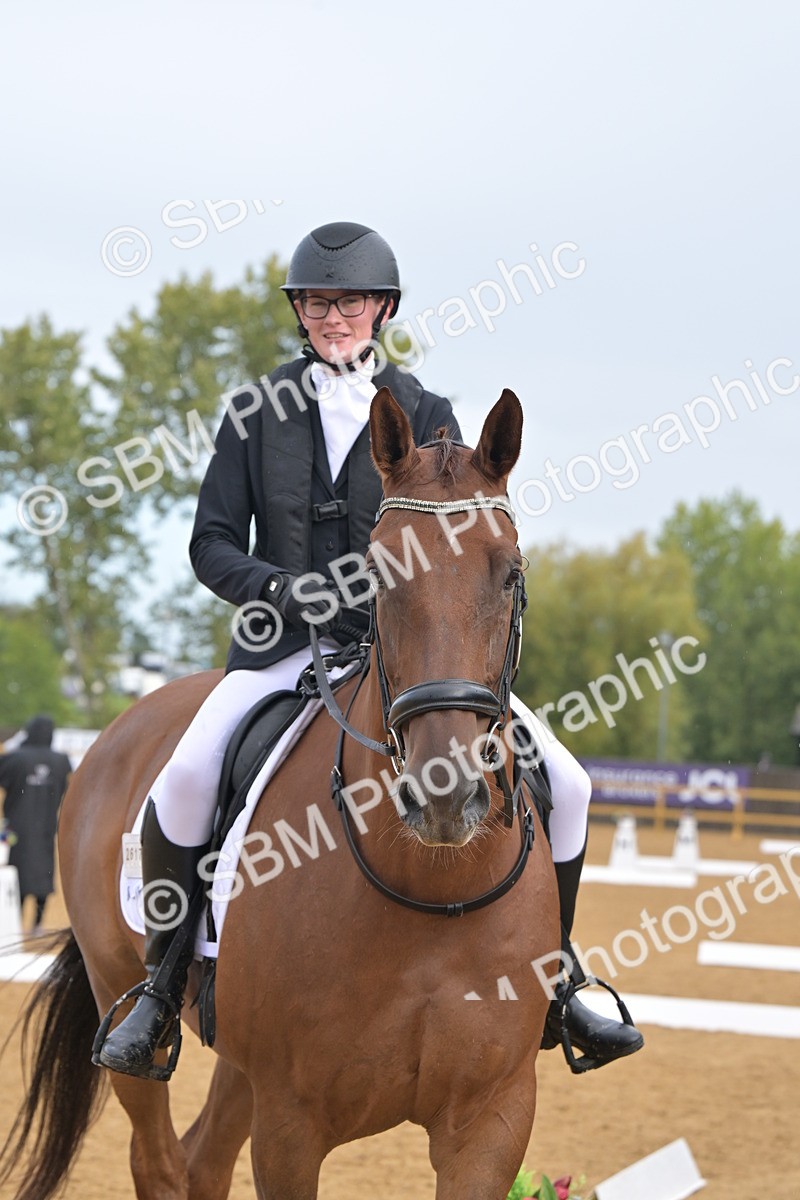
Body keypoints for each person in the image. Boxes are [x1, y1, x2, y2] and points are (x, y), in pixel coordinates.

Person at [97, 221, 642, 1079]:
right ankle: (162, 987)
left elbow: (456, 544)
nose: (333, 317)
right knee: (190, 775)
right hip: (282, 650)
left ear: (382, 308)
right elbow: (210, 543)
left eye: (348, 302)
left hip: (411, 656)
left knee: (568, 783)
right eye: (316, 303)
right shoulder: (254, 413)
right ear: (300, 313)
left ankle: (561, 979)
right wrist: (281, 589)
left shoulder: (426, 413)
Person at [0, 715, 72, 934]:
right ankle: (37, 924)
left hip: (15, 829)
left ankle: (15, 923)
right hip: (47, 827)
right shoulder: (61, 761)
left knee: (16, 871)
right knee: (44, 872)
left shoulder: (14, 758)